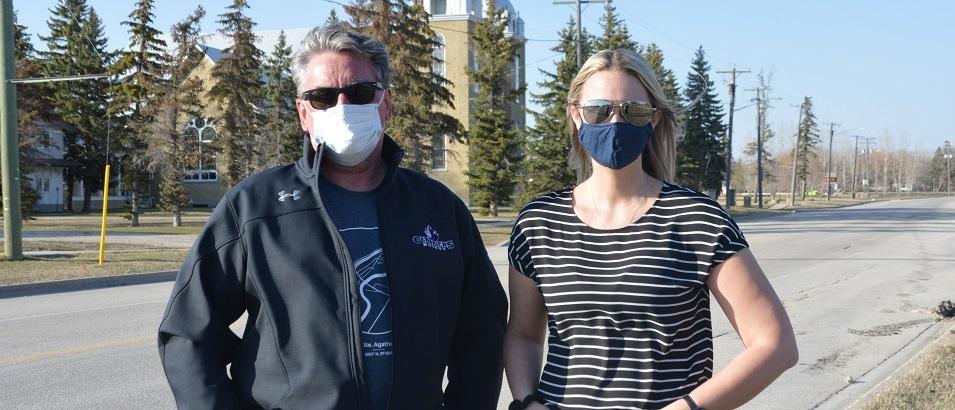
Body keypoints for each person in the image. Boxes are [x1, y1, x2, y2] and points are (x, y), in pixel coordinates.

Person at [158, 24, 507, 410]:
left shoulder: (438, 211)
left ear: (385, 104)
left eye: (359, 93)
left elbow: (482, 331)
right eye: (323, 97)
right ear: (303, 112)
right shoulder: (254, 209)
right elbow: (189, 333)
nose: (343, 107)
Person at [503, 48, 798, 410]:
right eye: (599, 109)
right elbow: (523, 335)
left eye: (633, 110)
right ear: (576, 116)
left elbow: (775, 344)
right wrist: (527, 401)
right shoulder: (539, 224)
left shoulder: (697, 220)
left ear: (654, 119)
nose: (615, 122)